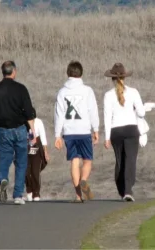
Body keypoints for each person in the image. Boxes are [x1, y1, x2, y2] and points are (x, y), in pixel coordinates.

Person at [0, 60, 36, 205]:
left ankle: (3, 178)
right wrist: (33, 131)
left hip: (2, 129)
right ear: (13, 71)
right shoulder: (21, 89)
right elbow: (28, 112)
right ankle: (18, 195)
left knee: (4, 158)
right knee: (21, 162)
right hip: (20, 129)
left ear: (3, 72)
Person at [54, 60, 99, 202]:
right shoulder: (87, 90)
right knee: (87, 160)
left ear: (68, 74)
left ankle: (78, 195)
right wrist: (96, 129)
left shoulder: (62, 92)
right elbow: (93, 111)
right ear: (81, 73)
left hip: (69, 132)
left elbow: (59, 114)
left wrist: (57, 135)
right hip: (84, 130)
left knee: (74, 160)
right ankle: (84, 180)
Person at [103, 63, 146, 202]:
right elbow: (141, 112)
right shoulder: (133, 92)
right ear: (125, 77)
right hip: (131, 129)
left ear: (112, 79)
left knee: (119, 161)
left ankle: (122, 190)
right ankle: (128, 190)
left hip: (116, 131)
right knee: (130, 160)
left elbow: (107, 117)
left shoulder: (108, 95)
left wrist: (107, 137)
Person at [25, 108, 50, 202]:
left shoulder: (39, 122)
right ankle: (29, 190)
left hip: (37, 147)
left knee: (35, 172)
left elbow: (43, 137)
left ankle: (36, 193)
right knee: (26, 172)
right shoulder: (22, 123)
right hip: (26, 147)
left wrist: (45, 152)